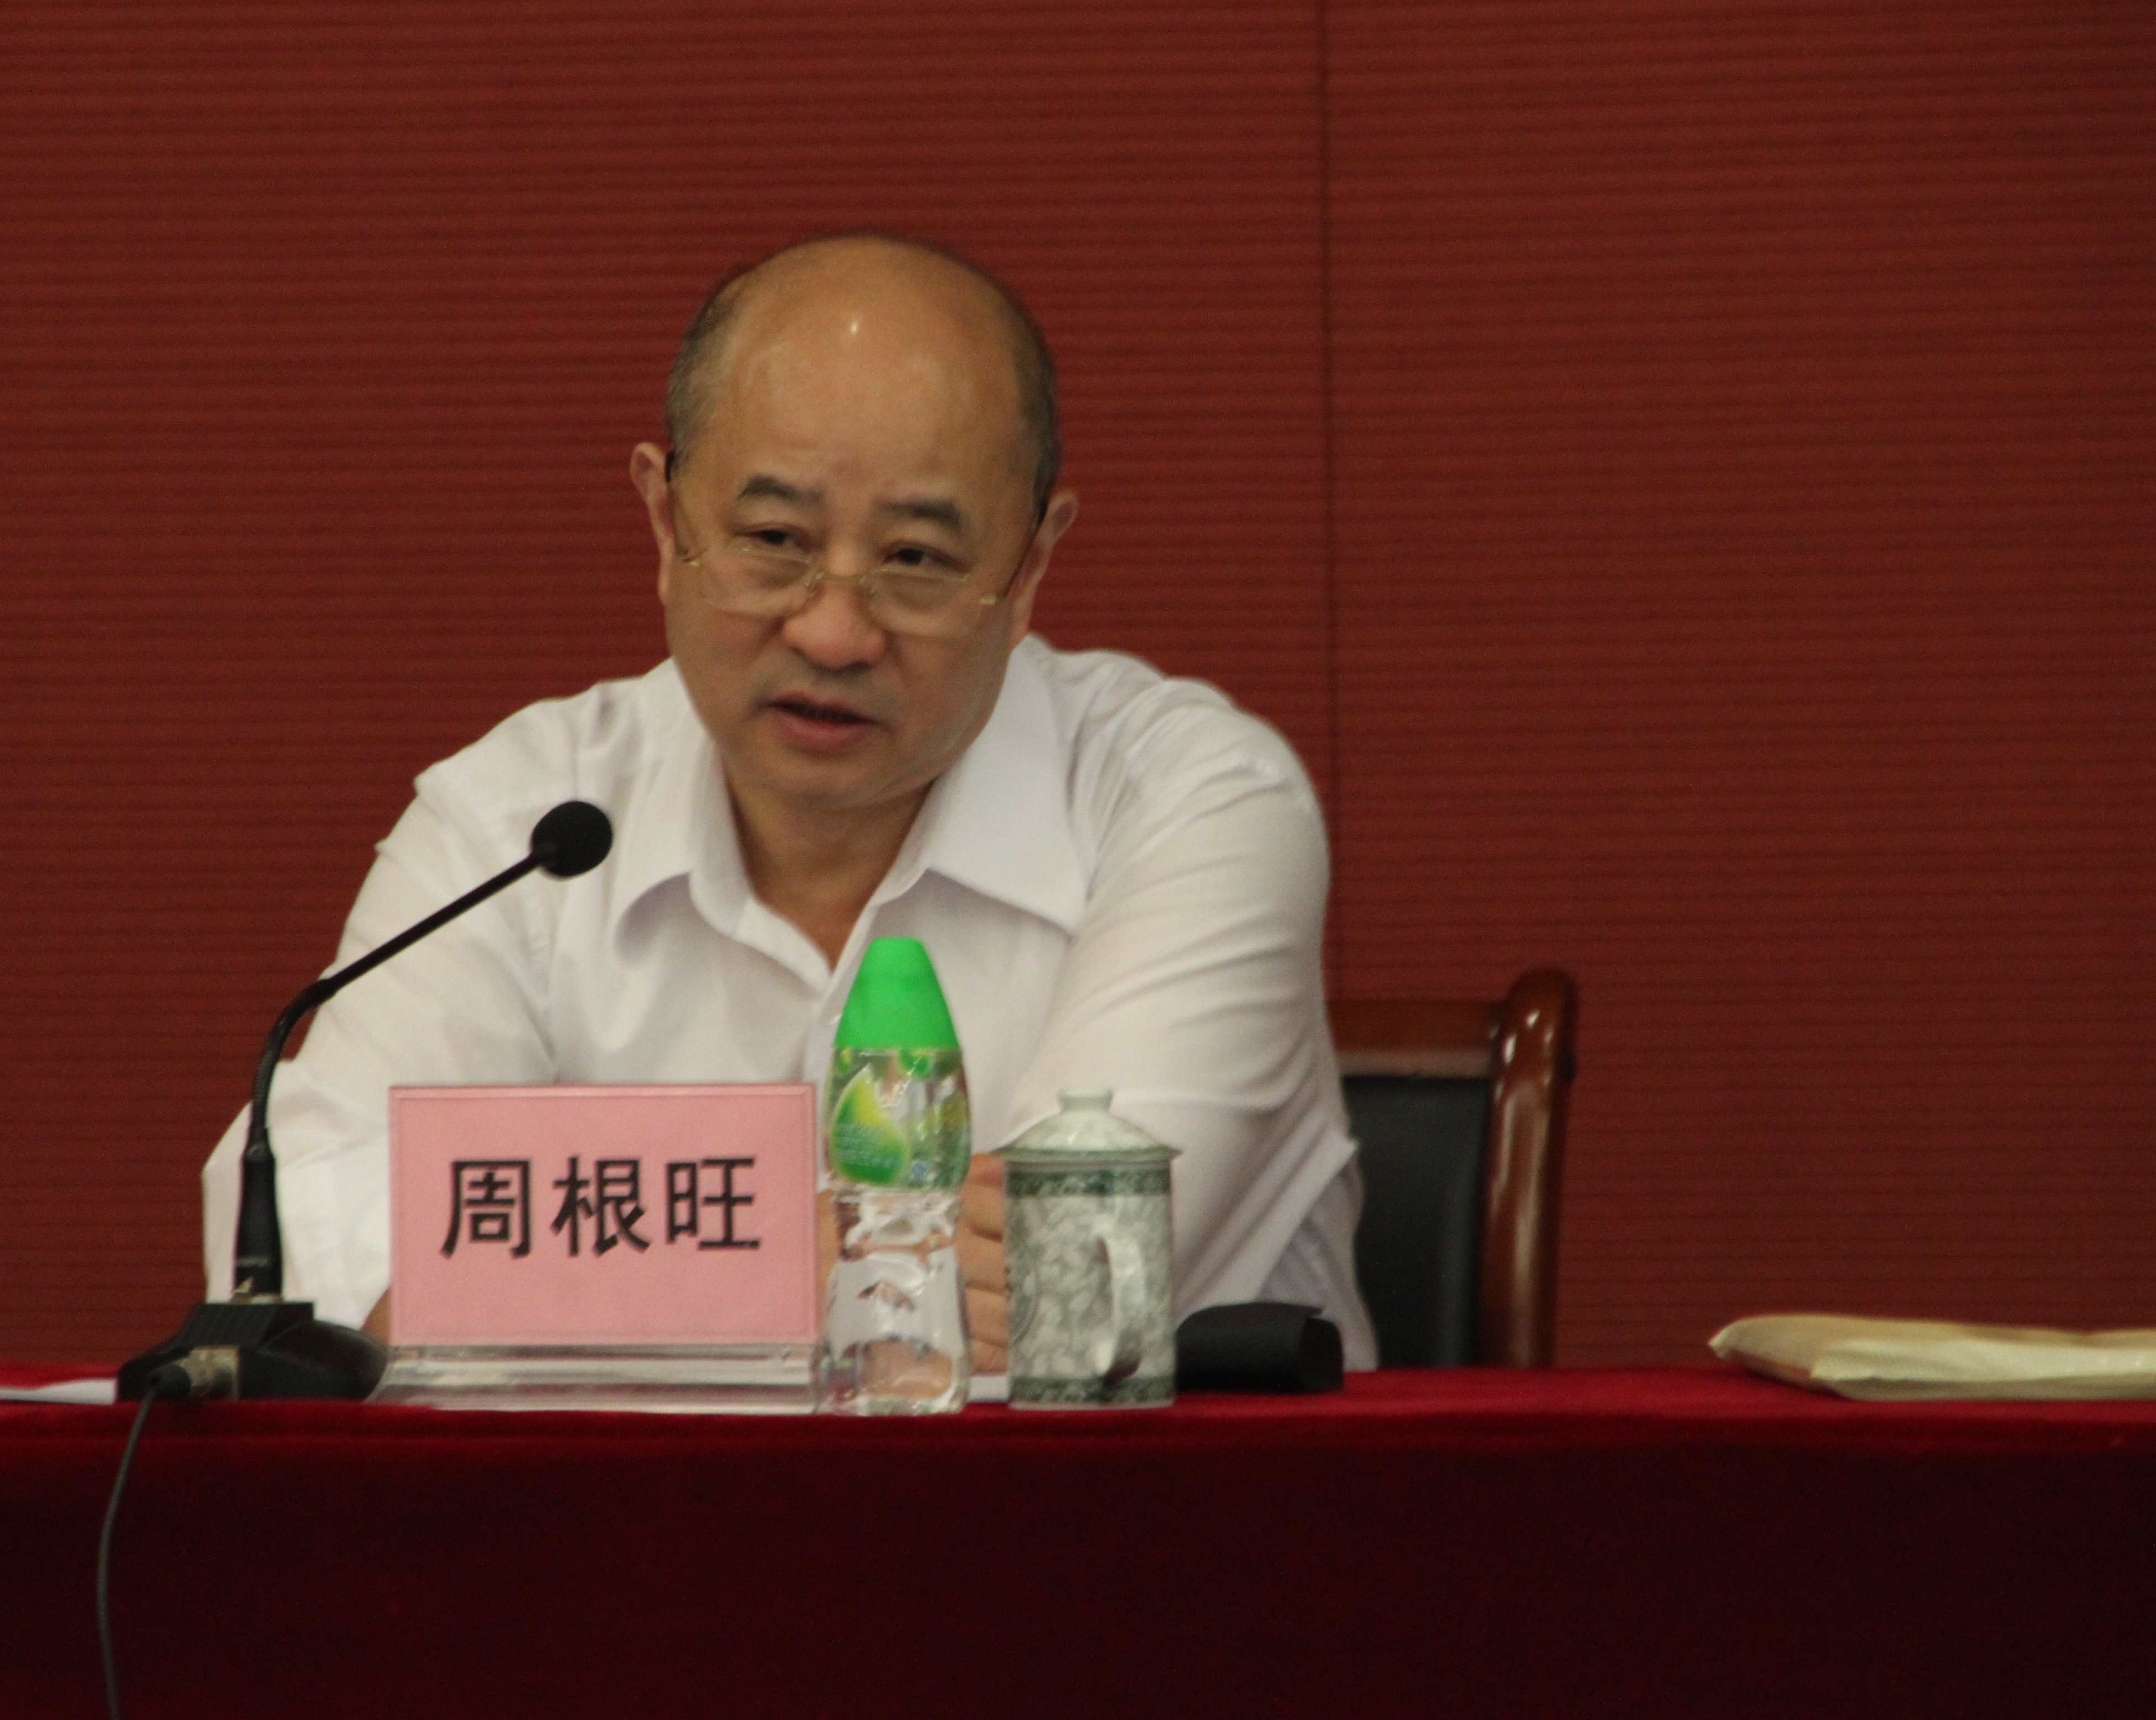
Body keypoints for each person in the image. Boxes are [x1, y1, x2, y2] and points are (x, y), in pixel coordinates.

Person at [201, 233, 1375, 1371]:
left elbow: (1067, 1286)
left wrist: (539, 1279)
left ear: (1029, 569)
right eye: (773, 540)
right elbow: (301, 1277)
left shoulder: (1188, 802)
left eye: (915, 560)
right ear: (667, 521)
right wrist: (791, 1261)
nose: (832, 630)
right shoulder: (524, 823)